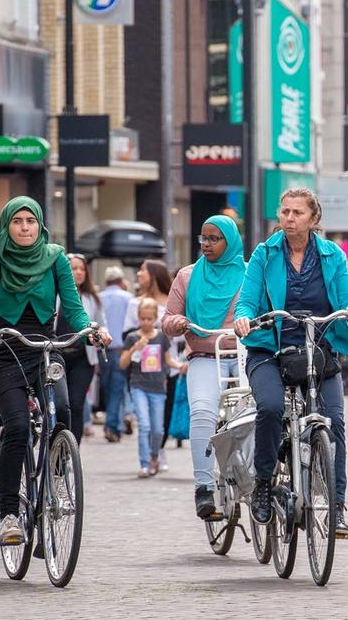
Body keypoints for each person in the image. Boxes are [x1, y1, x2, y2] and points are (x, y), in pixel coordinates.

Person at [234, 188, 348, 538]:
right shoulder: (265, 254)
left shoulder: (332, 255)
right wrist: (243, 318)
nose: (289, 218)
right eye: (284, 212)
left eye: (297, 213)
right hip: (270, 349)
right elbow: (248, 300)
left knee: (336, 421)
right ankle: (265, 484)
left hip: (318, 349)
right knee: (269, 408)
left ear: (314, 219)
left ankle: (337, 506)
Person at [0, 197, 111, 547]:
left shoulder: (56, 257)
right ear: (6, 226)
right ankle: (9, 514)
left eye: (30, 221)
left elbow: (75, 310)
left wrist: (90, 329)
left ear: (40, 224)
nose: (24, 228)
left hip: (45, 350)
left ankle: (51, 489)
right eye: (17, 221)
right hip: (4, 351)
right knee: (17, 424)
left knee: (61, 413)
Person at [163, 215, 245, 519]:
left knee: (261, 414)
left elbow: (265, 311)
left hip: (243, 358)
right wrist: (178, 322)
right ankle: (204, 487)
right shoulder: (186, 276)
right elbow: (168, 318)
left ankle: (260, 479)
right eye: (203, 238)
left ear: (231, 241)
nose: (206, 244)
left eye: (214, 238)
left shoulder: (250, 276)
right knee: (202, 412)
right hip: (204, 358)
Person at [121, 298, 182, 478]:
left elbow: (168, 359)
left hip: (158, 388)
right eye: (142, 318)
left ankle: (155, 455)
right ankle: (144, 463)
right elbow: (123, 363)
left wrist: (180, 366)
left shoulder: (162, 337)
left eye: (149, 318)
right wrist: (135, 349)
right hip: (138, 386)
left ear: (155, 318)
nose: (146, 322)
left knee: (158, 430)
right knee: (144, 425)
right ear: (138, 318)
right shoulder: (132, 337)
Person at [59, 254, 107, 443]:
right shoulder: (53, 294)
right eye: (73, 268)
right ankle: (55, 446)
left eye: (81, 269)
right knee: (59, 405)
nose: (78, 272)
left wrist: (102, 335)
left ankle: (71, 452)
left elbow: (102, 325)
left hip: (83, 359)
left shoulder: (91, 299)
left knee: (77, 404)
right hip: (56, 357)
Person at [100, 266, 133, 442]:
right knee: (117, 389)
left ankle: (114, 423)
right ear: (121, 281)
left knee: (108, 388)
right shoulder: (128, 298)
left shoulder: (99, 298)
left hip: (102, 349)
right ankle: (112, 425)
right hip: (121, 349)